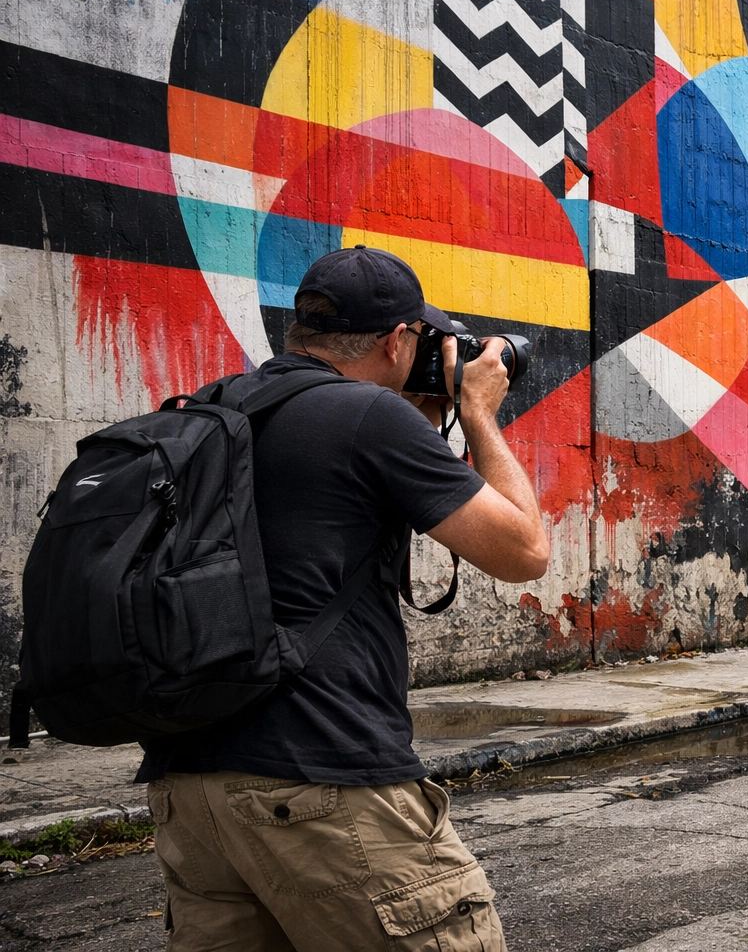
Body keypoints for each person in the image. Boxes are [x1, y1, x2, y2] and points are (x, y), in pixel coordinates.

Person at [137, 246, 548, 951]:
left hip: (190, 790)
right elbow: (523, 552)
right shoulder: (365, 419)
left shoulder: (213, 406)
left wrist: (416, 415)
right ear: (397, 340)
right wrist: (476, 412)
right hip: (323, 778)